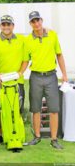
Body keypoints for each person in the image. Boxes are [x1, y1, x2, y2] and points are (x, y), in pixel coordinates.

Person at [21, 11, 68, 149]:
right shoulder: (27, 40)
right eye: (33, 21)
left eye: (38, 20)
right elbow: (25, 60)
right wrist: (19, 73)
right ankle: (37, 137)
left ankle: (54, 139)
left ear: (42, 20)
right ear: (30, 24)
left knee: (54, 109)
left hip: (51, 77)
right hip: (35, 76)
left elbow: (59, 55)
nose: (36, 23)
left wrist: (64, 74)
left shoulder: (52, 35)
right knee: (36, 109)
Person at [0, 15, 26, 146]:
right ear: (0, 26)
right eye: (3, 24)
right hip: (0, 82)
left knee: (18, 109)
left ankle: (17, 133)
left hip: (17, 82)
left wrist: (20, 73)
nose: (6, 27)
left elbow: (25, 60)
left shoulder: (21, 40)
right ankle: (1, 135)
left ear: (13, 26)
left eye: (8, 24)